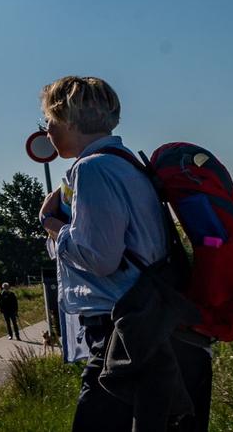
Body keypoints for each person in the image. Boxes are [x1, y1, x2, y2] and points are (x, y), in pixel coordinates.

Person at [38, 76, 210, 432]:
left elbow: (100, 259)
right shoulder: (125, 163)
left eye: (49, 121)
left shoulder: (93, 169)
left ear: (69, 120)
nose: (47, 131)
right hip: (149, 324)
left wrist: (51, 224)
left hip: (124, 334)